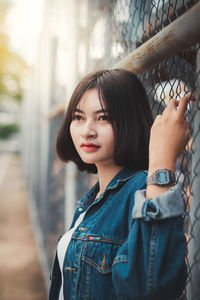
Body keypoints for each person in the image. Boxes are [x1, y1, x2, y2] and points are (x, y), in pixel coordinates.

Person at [49, 69, 195, 300]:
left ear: (130, 121)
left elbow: (150, 288)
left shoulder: (141, 191)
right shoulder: (94, 198)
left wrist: (161, 161)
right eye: (79, 117)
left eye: (103, 117)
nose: (87, 131)